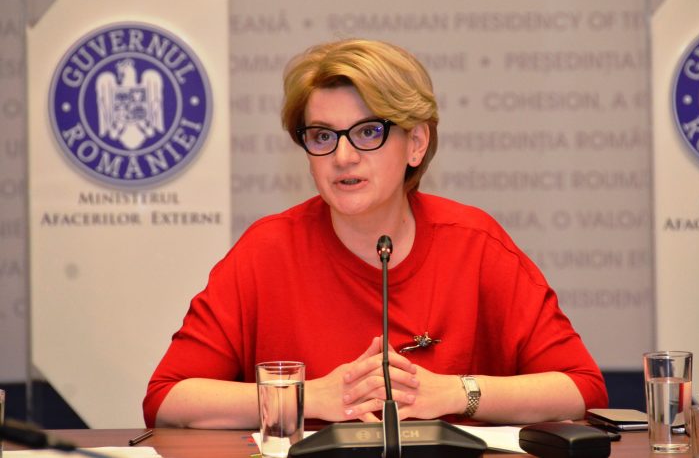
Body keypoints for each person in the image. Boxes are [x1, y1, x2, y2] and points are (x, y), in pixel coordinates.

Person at [142, 39, 608, 429]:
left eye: (368, 132)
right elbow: (167, 400)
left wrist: (452, 393)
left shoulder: (474, 244)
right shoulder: (267, 251)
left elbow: (581, 390)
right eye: (322, 136)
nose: (342, 157)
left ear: (416, 143)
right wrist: (310, 397)